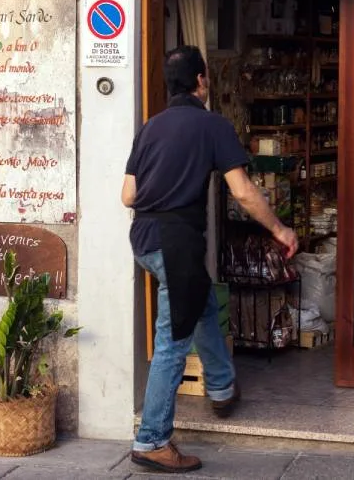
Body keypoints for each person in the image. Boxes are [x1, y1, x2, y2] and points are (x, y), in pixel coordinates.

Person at [122, 45, 298, 473]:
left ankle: (221, 388)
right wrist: (279, 229)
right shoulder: (212, 125)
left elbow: (128, 195)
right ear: (202, 81)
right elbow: (241, 191)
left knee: (199, 305)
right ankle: (152, 441)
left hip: (144, 238)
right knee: (171, 343)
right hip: (176, 242)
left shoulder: (150, 128)